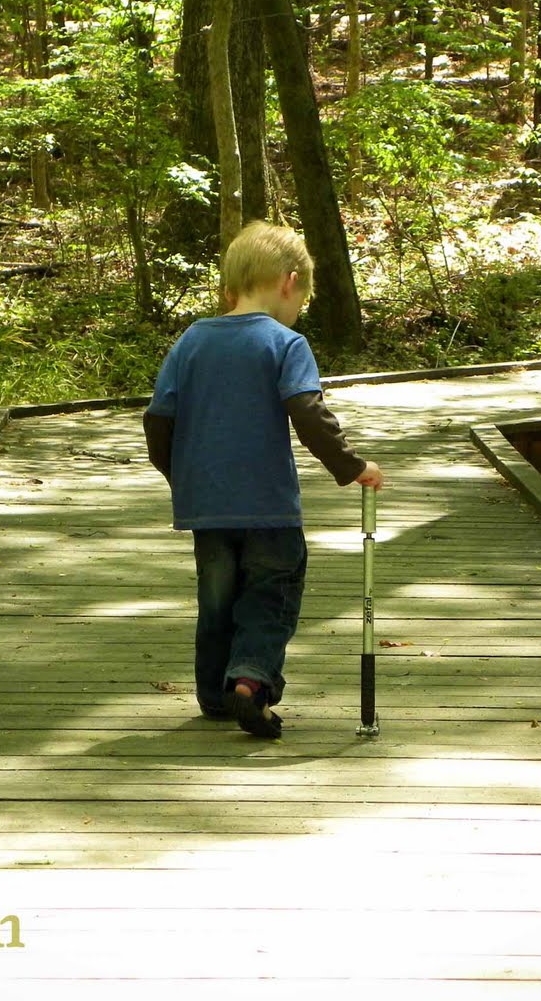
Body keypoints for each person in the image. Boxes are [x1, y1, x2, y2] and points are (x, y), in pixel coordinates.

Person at [143, 222, 384, 738]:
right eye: (303, 299)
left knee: (217, 602)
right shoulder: (286, 343)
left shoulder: (191, 341)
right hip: (270, 507)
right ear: (289, 282)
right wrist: (352, 467)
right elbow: (308, 412)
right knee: (270, 595)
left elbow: (158, 419)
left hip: (207, 507)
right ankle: (250, 682)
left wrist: (181, 477)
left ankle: (215, 697)